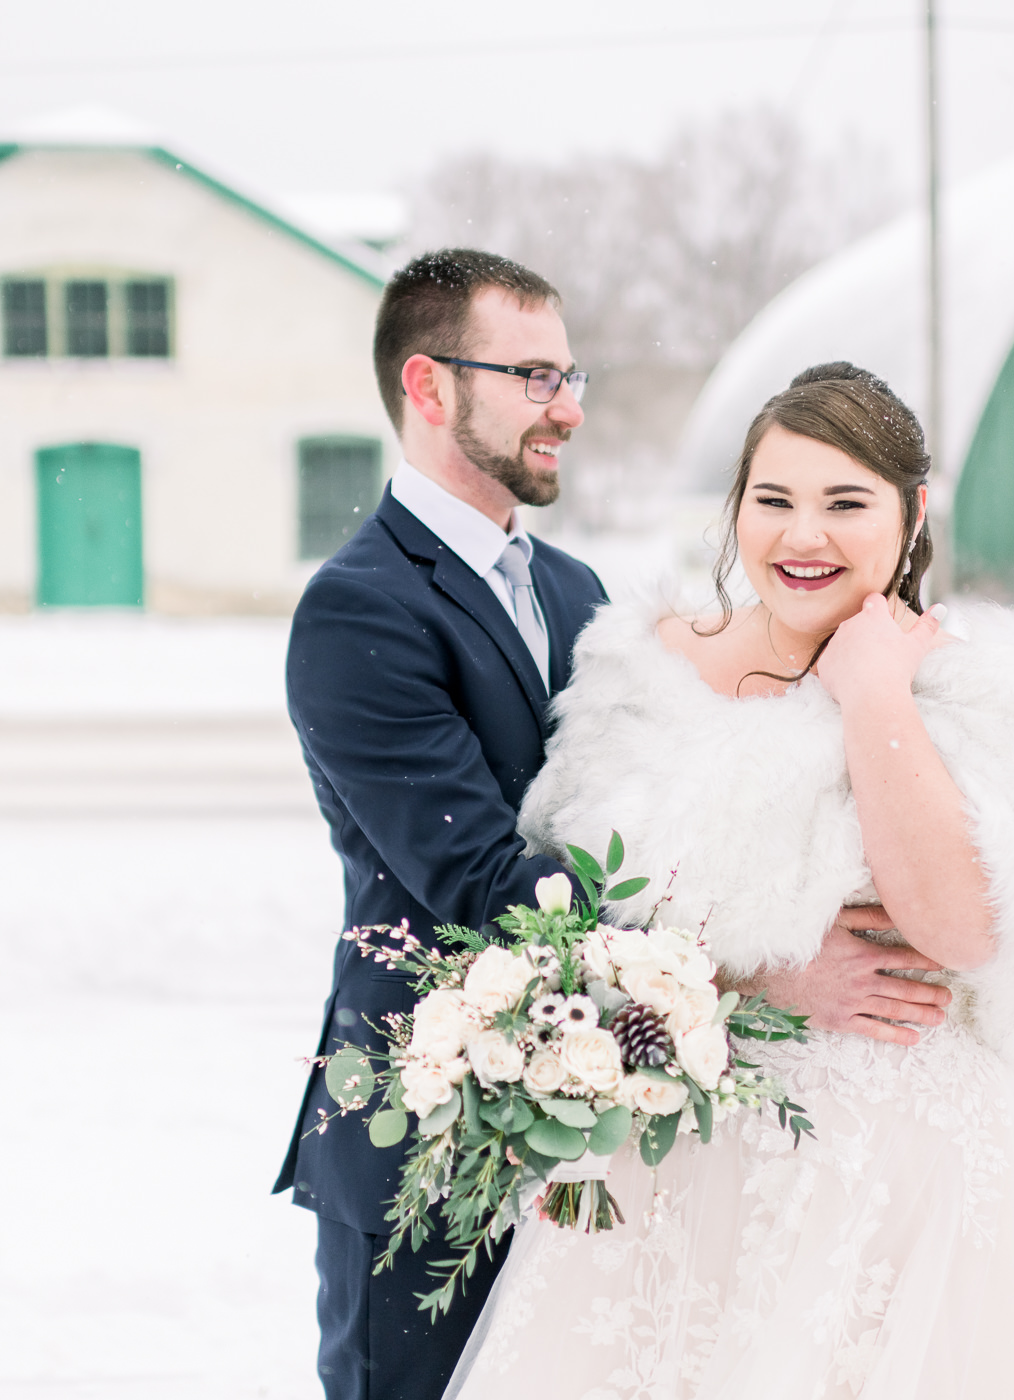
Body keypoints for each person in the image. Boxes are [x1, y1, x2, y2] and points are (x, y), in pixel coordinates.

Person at [278, 260, 955, 1400]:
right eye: (534, 374)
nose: (571, 407)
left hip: (611, 1127)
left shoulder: (571, 583)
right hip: (438, 1128)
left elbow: (641, 818)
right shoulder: (360, 610)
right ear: (429, 386)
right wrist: (759, 973)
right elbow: (489, 883)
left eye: (571, 372)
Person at [443, 363, 1014, 1399]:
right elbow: (576, 931)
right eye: (773, 501)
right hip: (674, 1170)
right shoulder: (642, 675)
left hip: (897, 1185)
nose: (802, 535)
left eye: (845, 503)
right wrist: (755, 980)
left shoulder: (991, 689)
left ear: (910, 518)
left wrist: (872, 693)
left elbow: (957, 926)